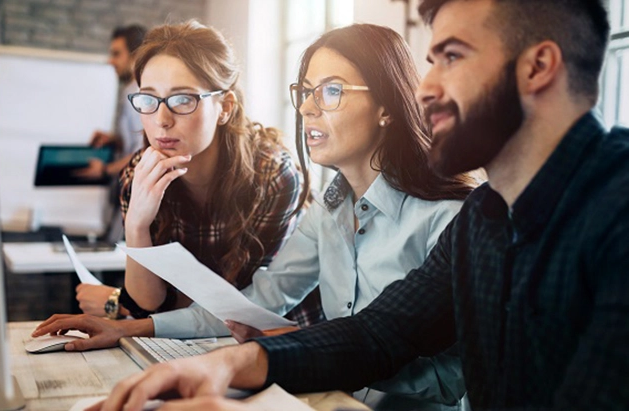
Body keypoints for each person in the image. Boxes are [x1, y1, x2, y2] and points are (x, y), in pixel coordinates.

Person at [83, 0, 629, 410]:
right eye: (432, 59)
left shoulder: (615, 211)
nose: (426, 86)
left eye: (453, 57)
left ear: (538, 67)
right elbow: (378, 334)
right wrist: (229, 365)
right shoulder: (486, 217)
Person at [35, 23, 478, 410]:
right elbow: (256, 304)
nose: (306, 107)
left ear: (387, 106)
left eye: (331, 90)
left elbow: (449, 375)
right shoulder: (328, 210)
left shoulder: (451, 220)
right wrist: (130, 327)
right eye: (305, 92)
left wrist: (302, 358)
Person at [47, 20, 321, 332]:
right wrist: (137, 223)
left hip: (281, 346)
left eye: (182, 100)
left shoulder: (270, 175)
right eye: (148, 99)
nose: (161, 120)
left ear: (225, 107)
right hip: (187, 342)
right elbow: (148, 301)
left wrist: (115, 302)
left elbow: (233, 308)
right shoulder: (138, 172)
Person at [74, 25, 147, 317]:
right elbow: (134, 141)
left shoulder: (139, 94)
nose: (110, 61)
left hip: (132, 199)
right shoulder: (129, 91)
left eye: (116, 54)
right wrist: (113, 140)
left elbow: (144, 150)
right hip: (122, 198)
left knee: (123, 278)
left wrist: (104, 168)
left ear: (135, 55)